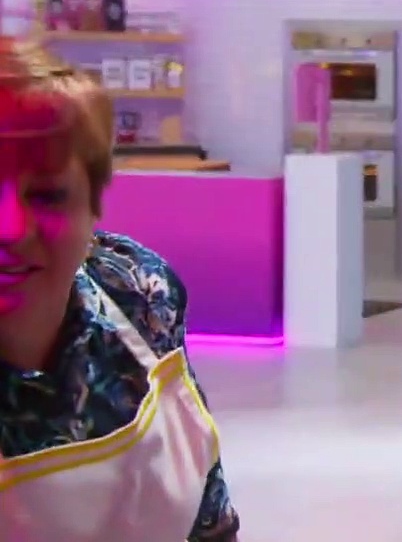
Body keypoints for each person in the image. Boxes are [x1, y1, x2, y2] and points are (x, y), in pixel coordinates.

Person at [0, 41, 239, 541]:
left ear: (94, 207)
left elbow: (208, 518)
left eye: (46, 195)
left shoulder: (139, 295)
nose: (12, 228)